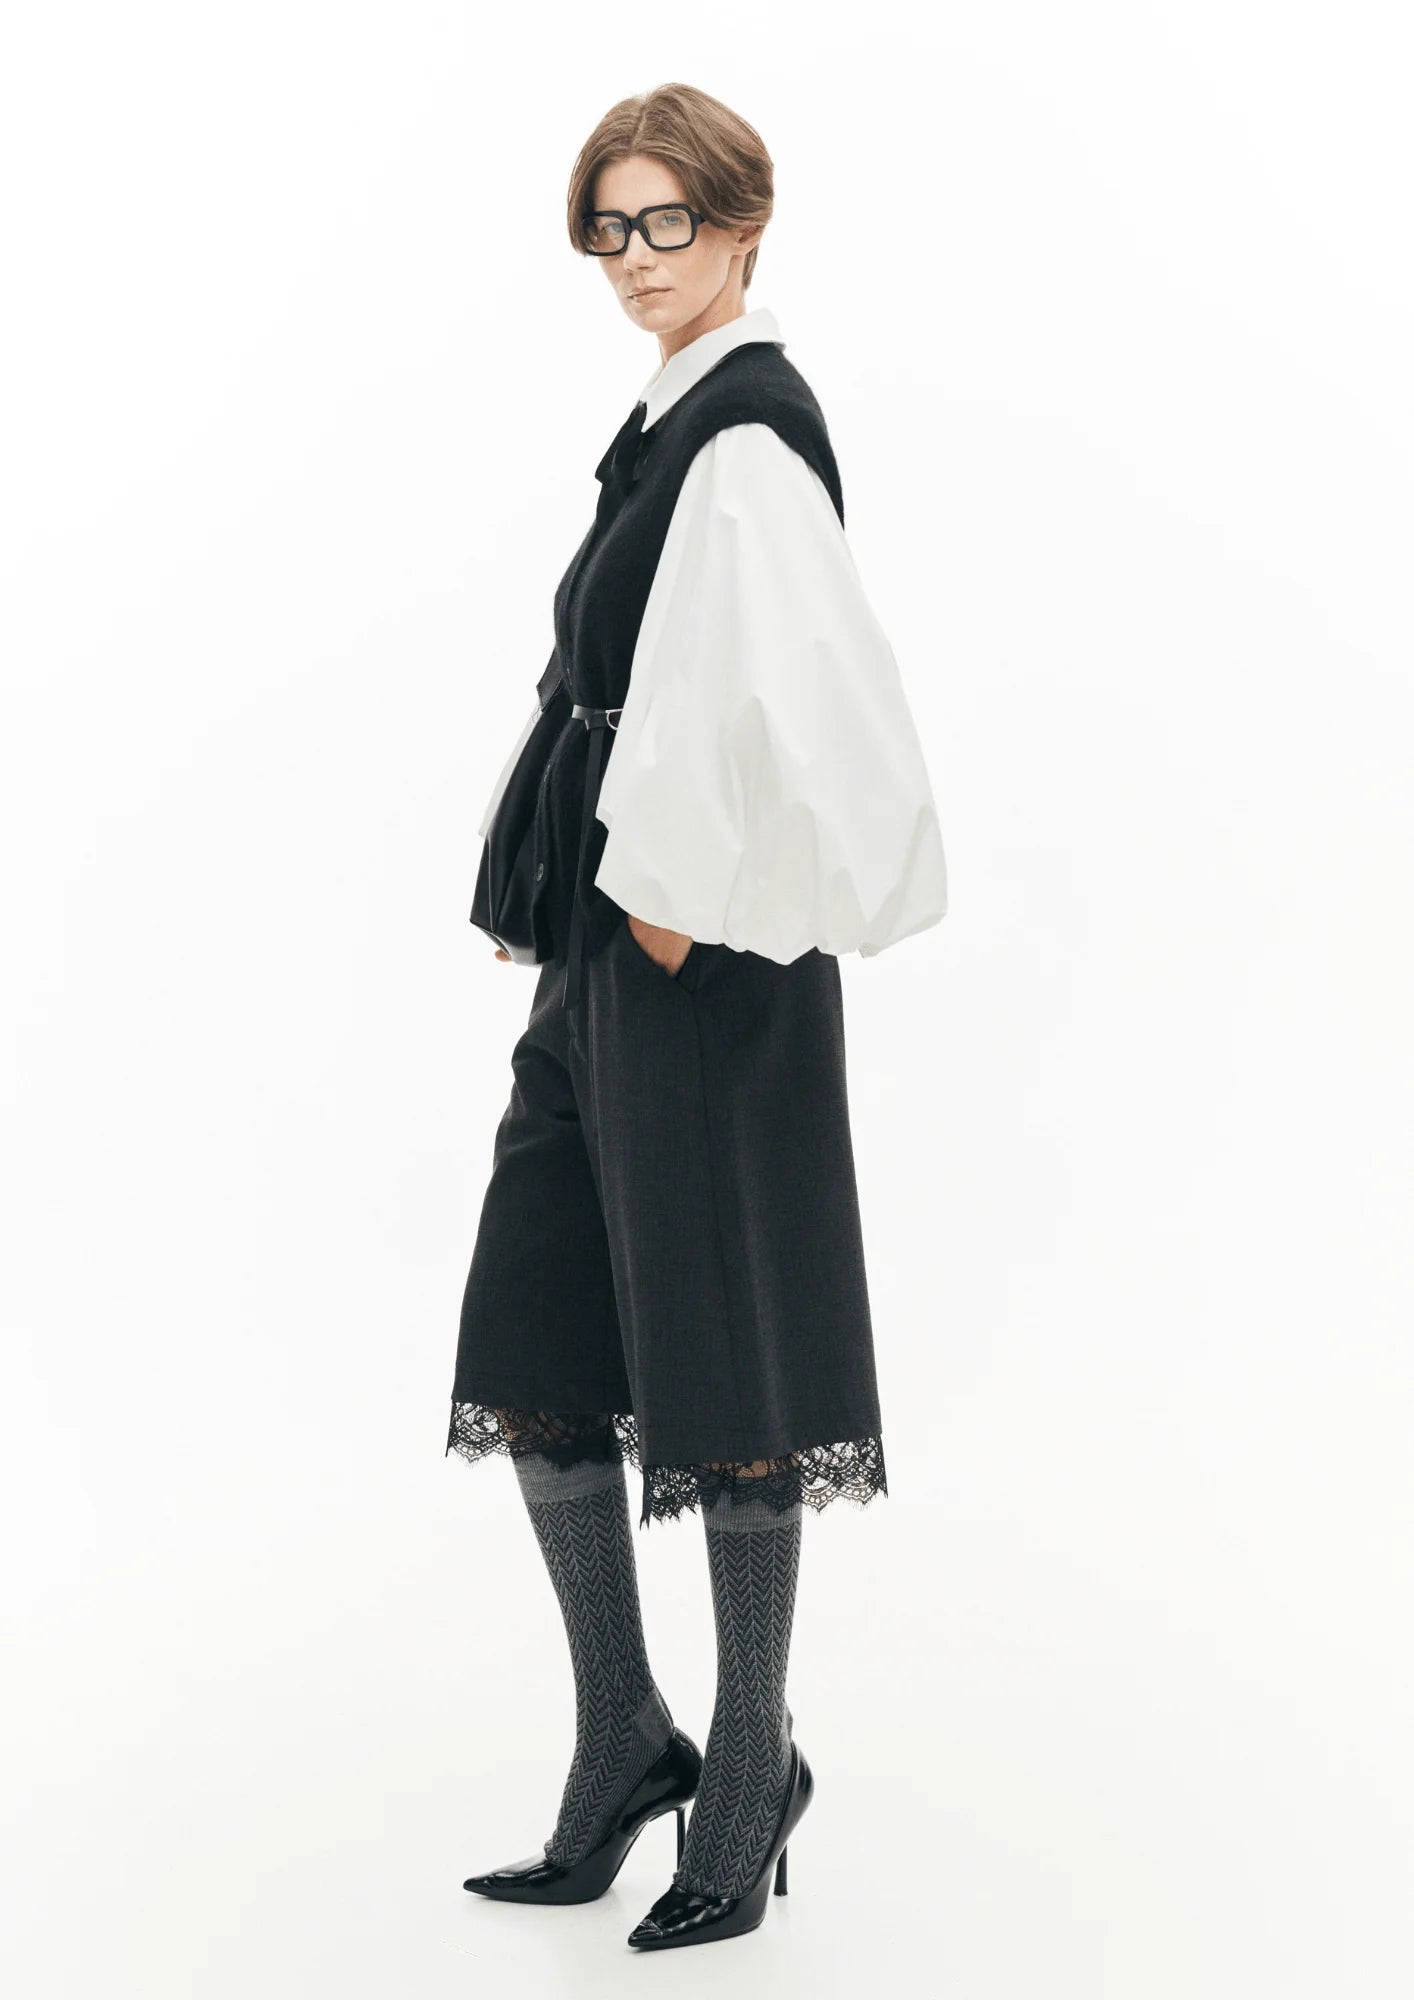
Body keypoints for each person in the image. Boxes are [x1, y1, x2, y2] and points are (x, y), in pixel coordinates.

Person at [450, 82, 947, 1951]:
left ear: (744, 224)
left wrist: (663, 904)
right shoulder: (669, 421)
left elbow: (805, 699)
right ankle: (622, 1739)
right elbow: (615, 681)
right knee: (540, 1336)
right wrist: (571, 904)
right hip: (607, 945)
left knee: (727, 1363)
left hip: (700, 953)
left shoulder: (746, 432)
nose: (635, 258)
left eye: (667, 221)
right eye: (611, 226)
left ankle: (747, 1767)